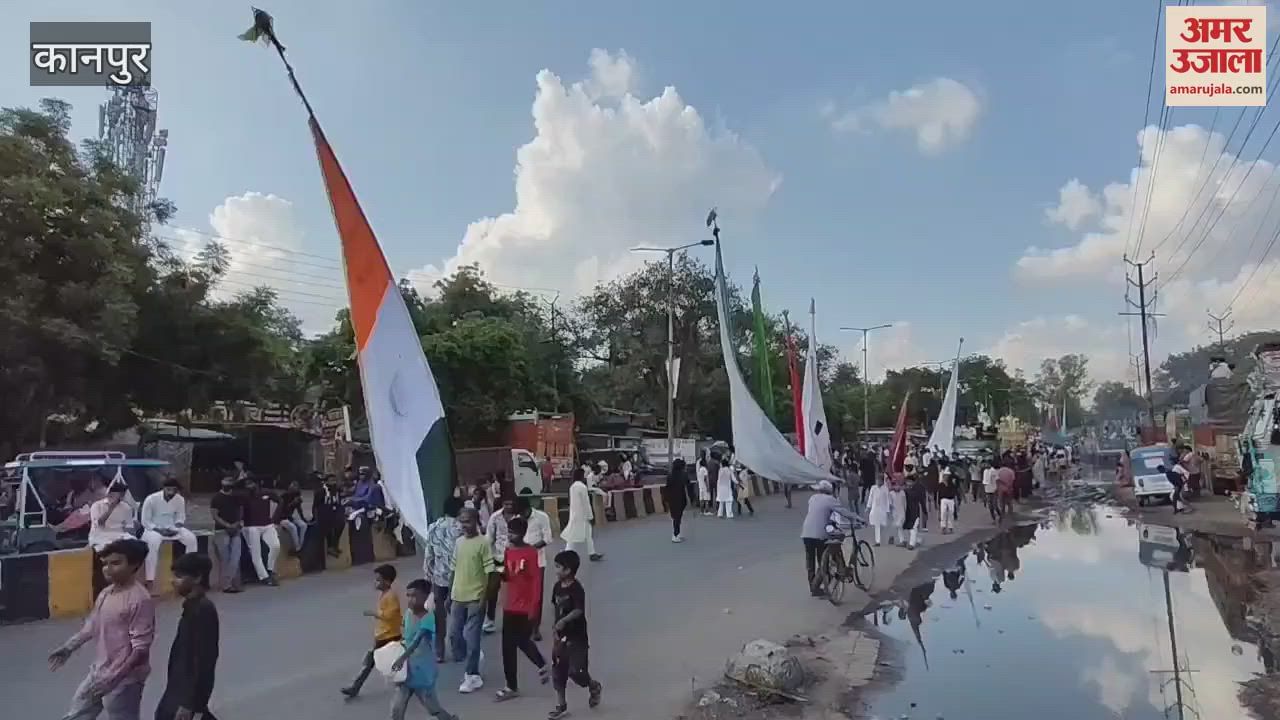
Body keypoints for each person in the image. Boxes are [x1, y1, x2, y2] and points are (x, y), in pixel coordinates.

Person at [49, 537, 156, 720]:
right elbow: (92, 626)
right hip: (99, 672)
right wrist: (68, 647)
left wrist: (114, 679)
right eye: (105, 564)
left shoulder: (140, 599)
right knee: (77, 713)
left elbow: (140, 649)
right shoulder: (107, 593)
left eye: (116, 563)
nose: (108, 569)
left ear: (134, 565)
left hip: (125, 679)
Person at [155, 553, 220, 720]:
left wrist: (191, 704)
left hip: (185, 697)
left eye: (179, 576)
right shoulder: (191, 607)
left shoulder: (203, 610)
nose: (173, 581)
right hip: (178, 689)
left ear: (197, 578)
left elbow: (204, 661)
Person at [494, 516, 549, 701]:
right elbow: (507, 575)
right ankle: (534, 668)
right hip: (510, 603)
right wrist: (500, 572)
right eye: (509, 532)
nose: (510, 536)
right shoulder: (508, 551)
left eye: (514, 533)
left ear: (523, 533)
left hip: (524, 606)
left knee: (519, 641)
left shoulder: (531, 553)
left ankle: (514, 684)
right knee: (510, 645)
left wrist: (534, 608)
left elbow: (535, 582)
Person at [390, 579, 459, 720]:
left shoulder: (428, 618)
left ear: (426, 597)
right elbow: (405, 636)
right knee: (397, 708)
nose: (410, 600)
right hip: (407, 670)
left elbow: (416, 642)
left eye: (414, 596)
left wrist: (400, 658)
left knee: (433, 708)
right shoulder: (409, 614)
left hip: (422, 672)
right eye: (408, 596)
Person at [549, 550, 602, 719]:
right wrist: (555, 629)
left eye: (558, 567)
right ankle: (561, 705)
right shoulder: (557, 587)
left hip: (577, 637)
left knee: (576, 672)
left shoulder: (576, 588)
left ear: (568, 570)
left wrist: (565, 620)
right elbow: (555, 608)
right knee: (558, 671)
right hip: (560, 637)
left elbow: (579, 610)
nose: (556, 570)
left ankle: (592, 685)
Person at [342, 564, 403, 698]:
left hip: (388, 636)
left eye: (378, 580)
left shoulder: (390, 596)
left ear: (387, 581)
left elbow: (390, 615)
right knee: (378, 662)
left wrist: (374, 613)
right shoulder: (385, 595)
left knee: (370, 662)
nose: (375, 583)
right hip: (383, 635)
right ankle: (355, 687)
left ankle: (355, 687)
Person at [451, 507, 495, 693]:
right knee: (454, 635)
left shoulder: (483, 543)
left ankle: (472, 675)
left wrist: (483, 600)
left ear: (476, 521)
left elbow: (489, 574)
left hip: (475, 598)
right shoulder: (459, 542)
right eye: (462, 521)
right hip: (457, 597)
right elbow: (454, 569)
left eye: (468, 521)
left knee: (472, 639)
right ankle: (474, 656)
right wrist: (448, 595)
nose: (464, 525)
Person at [801, 481, 860, 596]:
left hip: (806, 533)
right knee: (823, 561)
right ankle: (817, 585)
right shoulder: (830, 499)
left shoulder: (812, 498)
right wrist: (858, 518)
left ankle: (813, 587)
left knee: (810, 561)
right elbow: (844, 512)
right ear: (830, 490)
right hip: (820, 534)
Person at [423, 496, 463, 662]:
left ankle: (439, 652)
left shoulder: (433, 527)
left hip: (439, 578)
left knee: (439, 618)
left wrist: (428, 577)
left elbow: (429, 556)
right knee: (458, 616)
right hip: (459, 578)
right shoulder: (462, 528)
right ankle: (458, 650)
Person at [140, 478, 199, 590]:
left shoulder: (179, 499)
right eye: (169, 490)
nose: (171, 493)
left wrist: (176, 527)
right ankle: (150, 578)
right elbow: (145, 521)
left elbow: (180, 517)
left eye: (174, 490)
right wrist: (159, 530)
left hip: (172, 527)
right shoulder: (151, 499)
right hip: (153, 528)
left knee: (191, 538)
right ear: (164, 489)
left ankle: (188, 573)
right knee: (153, 542)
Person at [518, 495, 554, 641]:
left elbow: (548, 538)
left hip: (537, 561)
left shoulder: (541, 517)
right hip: (519, 562)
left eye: (523, 513)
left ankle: (535, 628)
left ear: (528, 509)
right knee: (521, 595)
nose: (522, 516)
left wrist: (530, 549)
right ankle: (523, 625)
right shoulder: (516, 517)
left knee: (536, 596)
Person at [483, 496, 516, 633]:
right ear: (502, 503)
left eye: (511, 503)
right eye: (506, 503)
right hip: (498, 558)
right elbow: (489, 538)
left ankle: (516, 621)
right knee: (492, 588)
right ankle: (490, 619)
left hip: (515, 558)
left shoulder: (519, 517)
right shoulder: (495, 517)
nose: (508, 506)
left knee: (515, 589)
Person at [241, 477, 281, 587]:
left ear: (256, 483)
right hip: (251, 526)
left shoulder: (267, 492)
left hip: (267, 524)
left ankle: (270, 569)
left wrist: (275, 518)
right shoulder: (244, 495)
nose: (249, 486)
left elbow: (280, 501)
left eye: (250, 483)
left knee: (275, 546)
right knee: (255, 553)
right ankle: (264, 577)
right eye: (246, 484)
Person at [209, 477, 244, 593]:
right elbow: (215, 515)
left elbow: (240, 510)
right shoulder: (216, 498)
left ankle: (234, 583)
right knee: (225, 558)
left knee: (235, 557)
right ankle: (226, 585)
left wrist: (237, 523)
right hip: (221, 530)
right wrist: (228, 525)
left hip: (235, 529)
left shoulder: (235, 497)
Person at [561, 467, 603, 562]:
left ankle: (591, 553)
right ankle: (568, 554)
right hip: (583, 516)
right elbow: (586, 503)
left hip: (574, 514)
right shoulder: (582, 487)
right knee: (578, 536)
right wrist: (591, 516)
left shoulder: (572, 487)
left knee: (580, 535)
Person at [88, 481, 135, 552]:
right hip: (100, 535)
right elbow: (99, 523)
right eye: (120, 492)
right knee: (108, 547)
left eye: (123, 492)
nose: (123, 495)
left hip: (119, 535)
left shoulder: (126, 507)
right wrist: (111, 508)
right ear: (110, 493)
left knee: (134, 543)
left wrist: (129, 536)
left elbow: (129, 527)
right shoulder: (97, 506)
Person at [275, 479, 309, 555]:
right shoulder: (284, 496)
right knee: (293, 527)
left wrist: (303, 519)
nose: (294, 489)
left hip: (290, 517)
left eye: (296, 487)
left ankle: (300, 546)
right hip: (282, 518)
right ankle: (297, 548)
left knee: (304, 525)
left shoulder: (297, 495)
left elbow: (299, 509)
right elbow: (282, 509)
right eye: (293, 486)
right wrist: (293, 503)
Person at [665, 458, 690, 543]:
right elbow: (688, 484)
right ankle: (675, 535)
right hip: (681, 498)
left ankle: (677, 533)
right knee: (678, 517)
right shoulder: (683, 474)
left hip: (672, 498)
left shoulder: (670, 475)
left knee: (675, 516)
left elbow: (667, 488)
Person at [866, 473, 892, 546]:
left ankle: (888, 537)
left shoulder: (885, 488)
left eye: (879, 480)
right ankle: (878, 541)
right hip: (875, 509)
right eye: (877, 480)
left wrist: (888, 509)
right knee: (877, 525)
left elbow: (888, 499)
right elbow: (870, 498)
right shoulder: (873, 488)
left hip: (883, 509)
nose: (878, 482)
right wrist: (868, 507)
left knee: (883, 525)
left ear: (882, 481)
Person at [937, 470, 958, 535]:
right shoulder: (941, 484)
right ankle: (943, 527)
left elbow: (954, 493)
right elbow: (939, 494)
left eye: (947, 476)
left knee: (951, 513)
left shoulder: (952, 484)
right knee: (943, 513)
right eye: (945, 476)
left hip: (951, 500)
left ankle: (950, 527)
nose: (946, 477)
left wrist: (956, 502)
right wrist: (938, 503)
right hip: (943, 499)